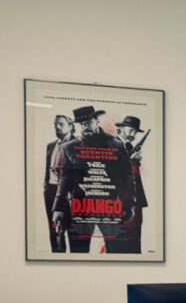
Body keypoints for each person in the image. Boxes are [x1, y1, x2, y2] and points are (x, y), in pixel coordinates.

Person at [52, 105, 136, 254]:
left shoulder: (116, 146)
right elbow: (64, 180)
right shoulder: (69, 148)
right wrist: (58, 208)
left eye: (88, 122)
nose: (85, 127)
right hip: (81, 207)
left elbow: (127, 178)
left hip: (109, 207)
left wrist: (129, 203)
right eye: (82, 124)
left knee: (117, 252)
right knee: (79, 252)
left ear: (97, 121)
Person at [113, 115, 149, 254]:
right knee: (118, 244)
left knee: (134, 242)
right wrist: (133, 162)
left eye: (135, 131)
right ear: (121, 128)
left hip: (135, 199)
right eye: (130, 130)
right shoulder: (111, 145)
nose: (133, 134)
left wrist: (136, 162)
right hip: (119, 201)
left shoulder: (129, 146)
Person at [42, 114, 74, 253]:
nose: (57, 127)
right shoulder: (50, 146)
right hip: (51, 190)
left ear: (70, 126)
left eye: (61, 124)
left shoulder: (78, 144)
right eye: (55, 125)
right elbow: (47, 168)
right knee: (54, 229)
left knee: (72, 229)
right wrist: (46, 186)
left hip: (69, 193)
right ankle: (57, 256)